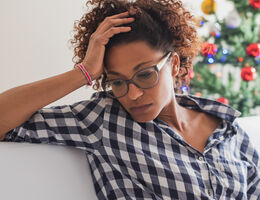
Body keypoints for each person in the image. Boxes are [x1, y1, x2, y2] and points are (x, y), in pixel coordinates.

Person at [0, 0, 259, 199]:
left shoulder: (228, 129)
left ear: (174, 64)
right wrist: (84, 73)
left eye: (145, 75)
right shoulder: (102, 120)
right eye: (118, 81)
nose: (132, 94)